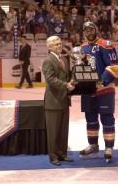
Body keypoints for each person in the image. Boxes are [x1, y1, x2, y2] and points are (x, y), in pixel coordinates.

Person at [80, 22, 118, 163]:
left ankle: (109, 147)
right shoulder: (82, 47)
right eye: (86, 30)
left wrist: (101, 82)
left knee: (107, 118)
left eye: (91, 29)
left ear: (96, 30)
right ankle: (93, 145)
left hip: (104, 89)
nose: (89, 32)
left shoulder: (106, 44)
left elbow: (114, 67)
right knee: (90, 119)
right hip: (87, 89)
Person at [42, 35, 75, 166]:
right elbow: (50, 80)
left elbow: (67, 77)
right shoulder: (48, 61)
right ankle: (53, 156)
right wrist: (66, 85)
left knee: (63, 130)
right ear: (49, 47)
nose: (59, 46)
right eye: (56, 44)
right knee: (53, 132)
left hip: (64, 101)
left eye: (60, 43)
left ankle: (62, 153)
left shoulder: (64, 59)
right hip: (53, 101)